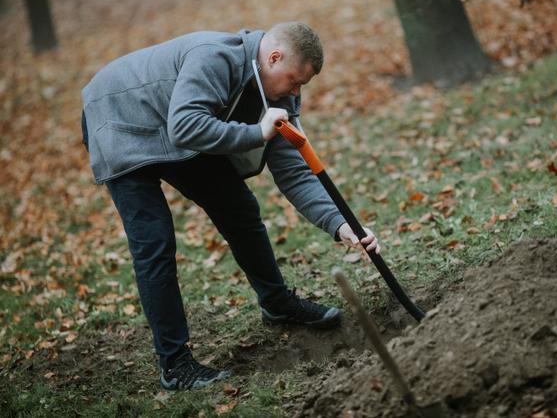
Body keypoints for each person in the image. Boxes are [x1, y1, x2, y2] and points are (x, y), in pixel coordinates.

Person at [80, 22, 380, 391]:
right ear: (273, 57)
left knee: (238, 207)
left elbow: (294, 171)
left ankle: (276, 303)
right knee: (154, 241)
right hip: (118, 119)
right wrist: (257, 133)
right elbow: (186, 127)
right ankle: (176, 365)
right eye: (294, 80)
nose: (296, 91)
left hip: (173, 122)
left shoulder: (279, 95)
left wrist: (341, 224)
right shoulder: (214, 57)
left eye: (303, 85)